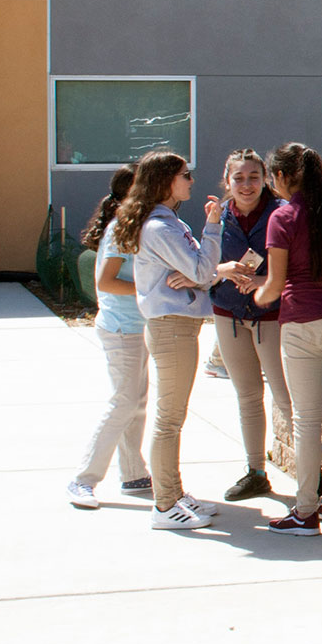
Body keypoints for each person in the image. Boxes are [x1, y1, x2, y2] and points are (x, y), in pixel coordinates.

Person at [254, 142, 322, 537]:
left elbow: (275, 284)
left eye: (271, 177)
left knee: (306, 419)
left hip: (303, 321)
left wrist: (252, 292)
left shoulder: (282, 217)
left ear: (282, 177)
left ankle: (304, 511)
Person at [121, 151, 230, 530]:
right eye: (186, 175)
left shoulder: (168, 223)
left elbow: (199, 271)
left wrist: (201, 273)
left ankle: (173, 492)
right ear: (166, 180)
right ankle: (165, 504)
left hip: (178, 324)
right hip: (171, 326)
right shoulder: (160, 228)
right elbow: (202, 268)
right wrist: (213, 227)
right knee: (169, 418)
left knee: (174, 416)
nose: (191, 180)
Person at [67, 166, 154, 508]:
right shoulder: (122, 229)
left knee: (137, 404)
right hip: (121, 329)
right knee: (123, 403)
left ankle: (133, 473)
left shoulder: (136, 226)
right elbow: (106, 281)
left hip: (135, 326)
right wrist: (152, 289)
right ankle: (83, 480)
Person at [210, 150, 290, 504]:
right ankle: (256, 471)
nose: (246, 185)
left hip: (270, 317)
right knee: (247, 396)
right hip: (228, 314)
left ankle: (314, 476)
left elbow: (296, 270)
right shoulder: (218, 217)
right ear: (227, 181)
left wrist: (261, 280)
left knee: (287, 398)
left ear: (265, 179)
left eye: (253, 177)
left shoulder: (281, 214)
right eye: (238, 178)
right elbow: (203, 266)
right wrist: (222, 270)